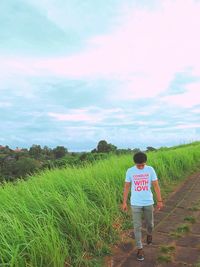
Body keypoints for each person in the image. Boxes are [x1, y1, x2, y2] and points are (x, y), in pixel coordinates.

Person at [121, 151, 163, 261]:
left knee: (150, 224)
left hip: (148, 202)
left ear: (146, 162)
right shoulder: (130, 171)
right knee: (137, 227)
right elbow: (127, 187)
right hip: (135, 203)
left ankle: (149, 233)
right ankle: (140, 249)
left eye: (142, 165)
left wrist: (159, 200)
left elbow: (156, 185)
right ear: (135, 163)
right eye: (138, 165)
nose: (140, 167)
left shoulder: (150, 170)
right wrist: (124, 202)